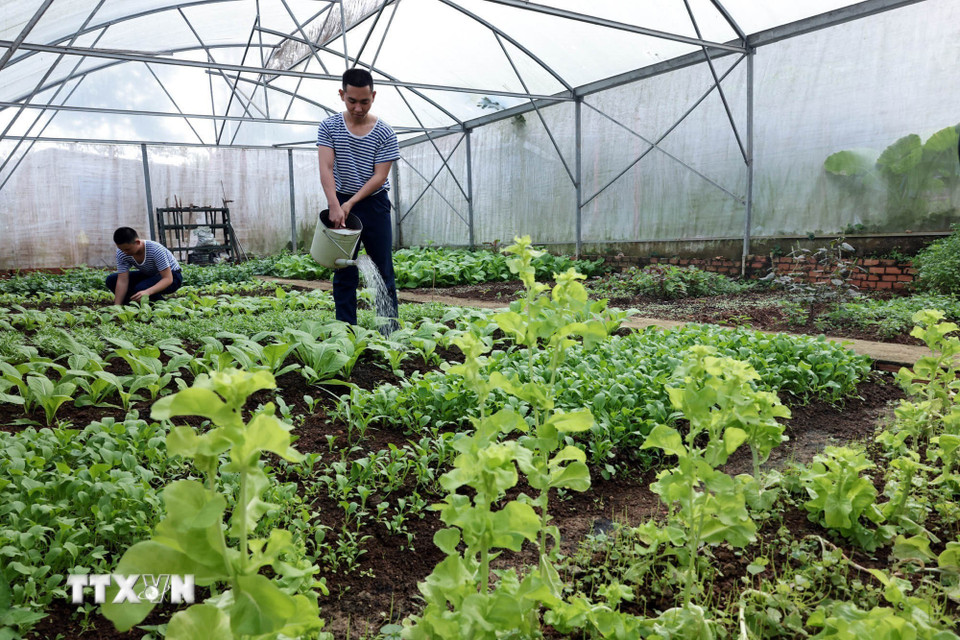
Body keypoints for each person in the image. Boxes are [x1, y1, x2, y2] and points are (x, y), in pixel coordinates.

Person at [317, 67, 400, 331]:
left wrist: (349, 204)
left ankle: (389, 330)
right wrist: (334, 204)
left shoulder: (385, 133)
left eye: (365, 101)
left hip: (373, 204)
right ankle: (346, 331)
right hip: (339, 201)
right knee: (343, 270)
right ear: (342, 95)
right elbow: (326, 168)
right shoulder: (329, 127)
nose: (358, 107)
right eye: (352, 100)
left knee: (383, 269)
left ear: (373, 96)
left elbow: (379, 176)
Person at [106, 227, 183, 304]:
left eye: (127, 249)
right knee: (112, 280)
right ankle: (130, 304)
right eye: (121, 249)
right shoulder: (122, 252)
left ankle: (161, 305)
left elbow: (168, 279)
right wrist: (117, 306)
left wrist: (147, 292)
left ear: (137, 242)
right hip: (150, 275)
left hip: (173, 276)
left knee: (141, 288)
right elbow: (122, 280)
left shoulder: (155, 250)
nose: (124, 252)